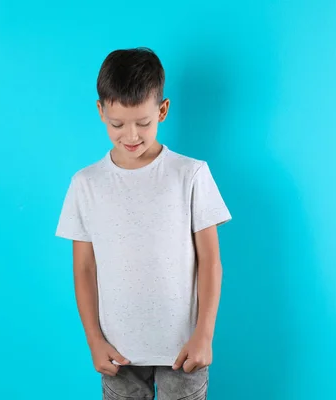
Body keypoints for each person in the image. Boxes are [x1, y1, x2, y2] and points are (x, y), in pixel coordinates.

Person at [56, 47, 231, 400]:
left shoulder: (191, 174)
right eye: (118, 124)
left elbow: (210, 261)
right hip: (118, 353)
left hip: (183, 352)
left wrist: (204, 335)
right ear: (101, 111)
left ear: (162, 111)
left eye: (143, 123)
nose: (131, 136)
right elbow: (84, 270)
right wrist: (94, 339)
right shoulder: (85, 184)